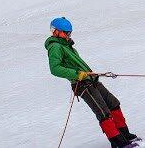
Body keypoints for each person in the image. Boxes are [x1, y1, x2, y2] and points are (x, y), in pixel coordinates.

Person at [45, 17, 139, 148]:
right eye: (66, 33)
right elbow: (55, 69)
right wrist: (77, 75)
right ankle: (117, 142)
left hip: (91, 80)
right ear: (55, 32)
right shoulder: (55, 47)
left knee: (113, 103)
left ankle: (125, 135)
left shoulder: (68, 46)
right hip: (81, 84)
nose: (68, 35)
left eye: (69, 33)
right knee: (103, 111)